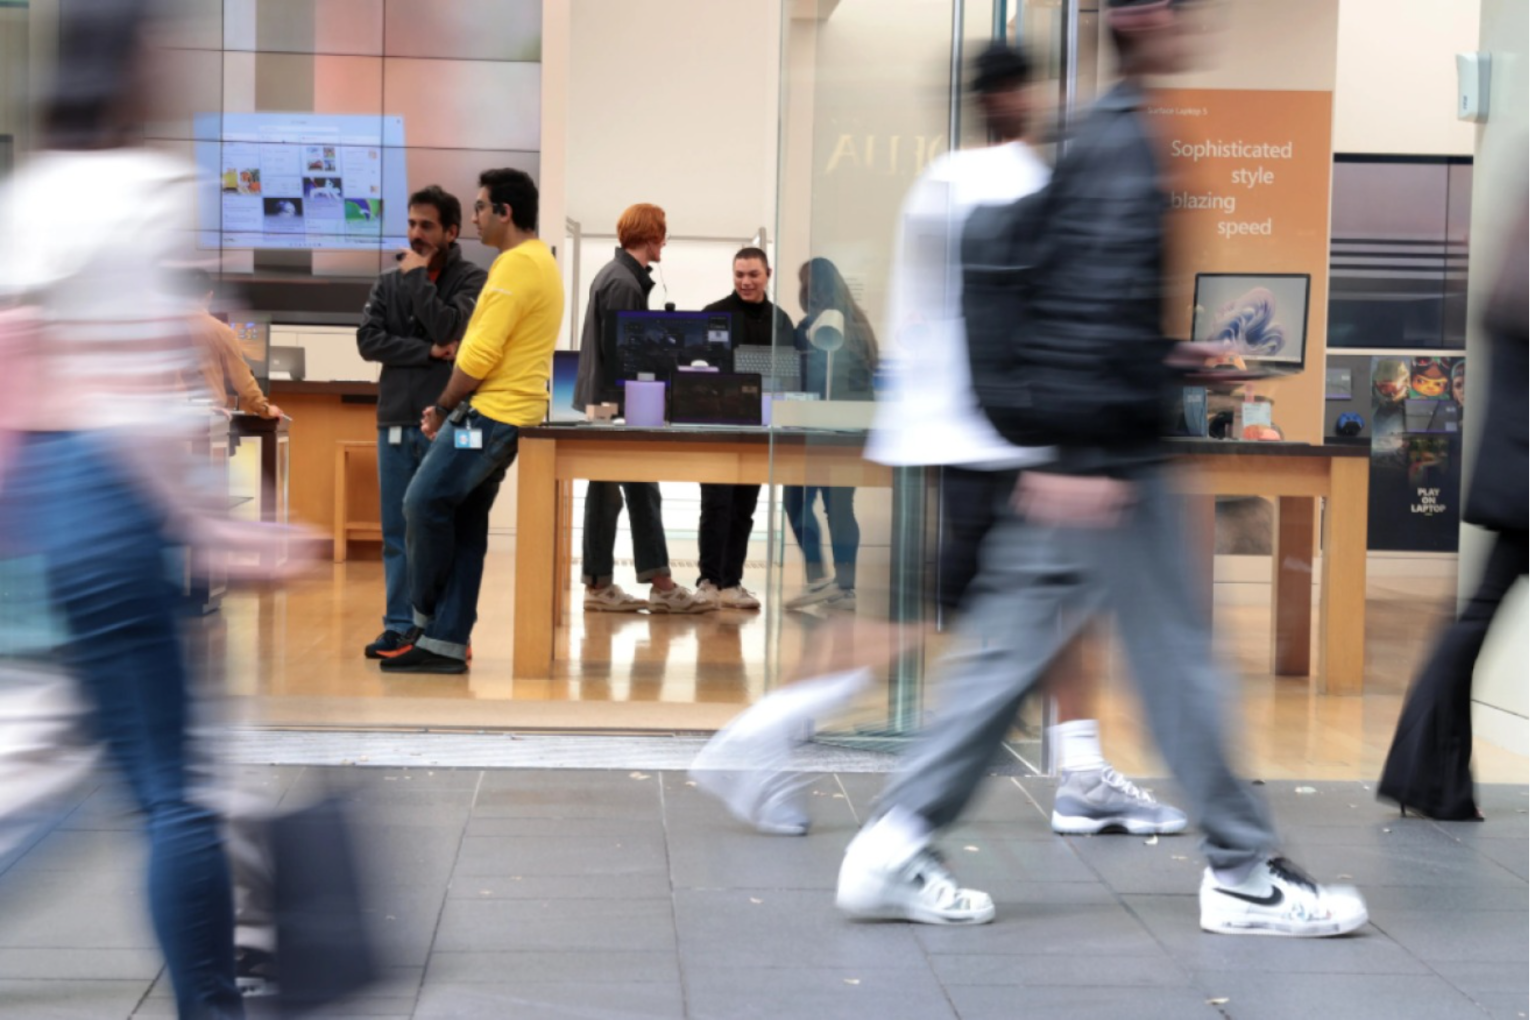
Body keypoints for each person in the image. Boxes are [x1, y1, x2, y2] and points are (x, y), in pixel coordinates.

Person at [835, 1, 1368, 939]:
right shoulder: (1125, 141)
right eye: (1184, 9)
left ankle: (892, 844)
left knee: (1006, 653)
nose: (1198, 24)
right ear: (1144, 17)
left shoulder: (1100, 134)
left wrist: (1164, 359)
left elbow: (1086, 305)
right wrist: (1088, 449)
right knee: (1175, 660)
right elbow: (1087, 307)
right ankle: (1244, 875)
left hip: (1078, 452)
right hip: (1108, 461)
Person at [870, 41, 1185, 837]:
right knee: (985, 625)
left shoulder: (946, 179)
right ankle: (865, 796)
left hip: (978, 435)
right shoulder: (1011, 179)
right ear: (1007, 96)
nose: (1046, 101)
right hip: (999, 440)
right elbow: (1057, 308)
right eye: (1035, 88)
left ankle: (1075, 776)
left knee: (1034, 614)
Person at [1377, 191, 1530, 821]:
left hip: (1515, 474)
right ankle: (1425, 773)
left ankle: (1427, 774)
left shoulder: (1513, 284)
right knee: (1473, 620)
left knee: (1473, 618)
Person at [380, 169, 564, 674]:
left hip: (491, 416)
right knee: (463, 526)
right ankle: (445, 643)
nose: (476, 216)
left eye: (481, 207)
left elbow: (479, 353)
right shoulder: (538, 261)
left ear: (505, 212)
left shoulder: (516, 265)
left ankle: (422, 620)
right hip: (502, 411)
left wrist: (443, 407)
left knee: (420, 503)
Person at [356, 185, 488, 660]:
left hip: (454, 423)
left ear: (451, 232)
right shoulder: (388, 282)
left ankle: (444, 631)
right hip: (395, 419)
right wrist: (428, 352)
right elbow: (368, 341)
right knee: (397, 531)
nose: (415, 234)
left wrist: (417, 280)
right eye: (411, 223)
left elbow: (450, 326)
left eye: (426, 225)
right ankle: (399, 626)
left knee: (447, 528)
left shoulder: (473, 279)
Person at [571, 204, 713, 615]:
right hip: (616, 404)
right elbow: (626, 356)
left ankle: (600, 584)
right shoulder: (624, 283)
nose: (663, 243)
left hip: (603, 400)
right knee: (640, 488)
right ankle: (659, 585)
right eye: (662, 235)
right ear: (651, 237)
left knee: (609, 491)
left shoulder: (617, 276)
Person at [695, 248, 795, 610]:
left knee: (743, 507)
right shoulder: (713, 314)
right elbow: (696, 368)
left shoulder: (780, 320)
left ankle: (731, 583)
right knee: (716, 504)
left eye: (753, 274)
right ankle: (708, 581)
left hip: (758, 428)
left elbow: (789, 375)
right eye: (739, 275)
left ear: (768, 274)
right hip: (718, 425)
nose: (746, 282)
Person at [782, 259, 878, 613]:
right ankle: (840, 585)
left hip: (820, 432)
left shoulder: (814, 327)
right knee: (837, 507)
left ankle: (822, 579)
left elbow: (805, 380)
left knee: (799, 504)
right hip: (851, 432)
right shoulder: (859, 326)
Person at [179, 269, 284, 421]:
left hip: (162, 416)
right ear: (209, 295)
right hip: (205, 417)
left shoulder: (158, 328)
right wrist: (264, 408)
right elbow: (241, 378)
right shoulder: (220, 331)